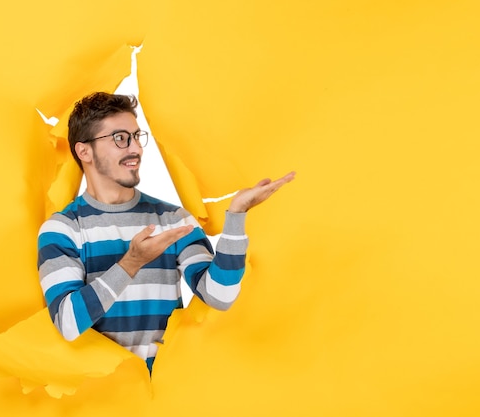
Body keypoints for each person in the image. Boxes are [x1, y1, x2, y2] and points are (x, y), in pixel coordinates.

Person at [38, 92, 295, 372]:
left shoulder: (173, 219)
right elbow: (68, 322)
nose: (135, 148)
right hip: (102, 396)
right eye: (120, 138)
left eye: (137, 136)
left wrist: (236, 217)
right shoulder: (62, 229)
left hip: (164, 394)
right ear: (84, 151)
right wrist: (131, 263)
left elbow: (220, 295)